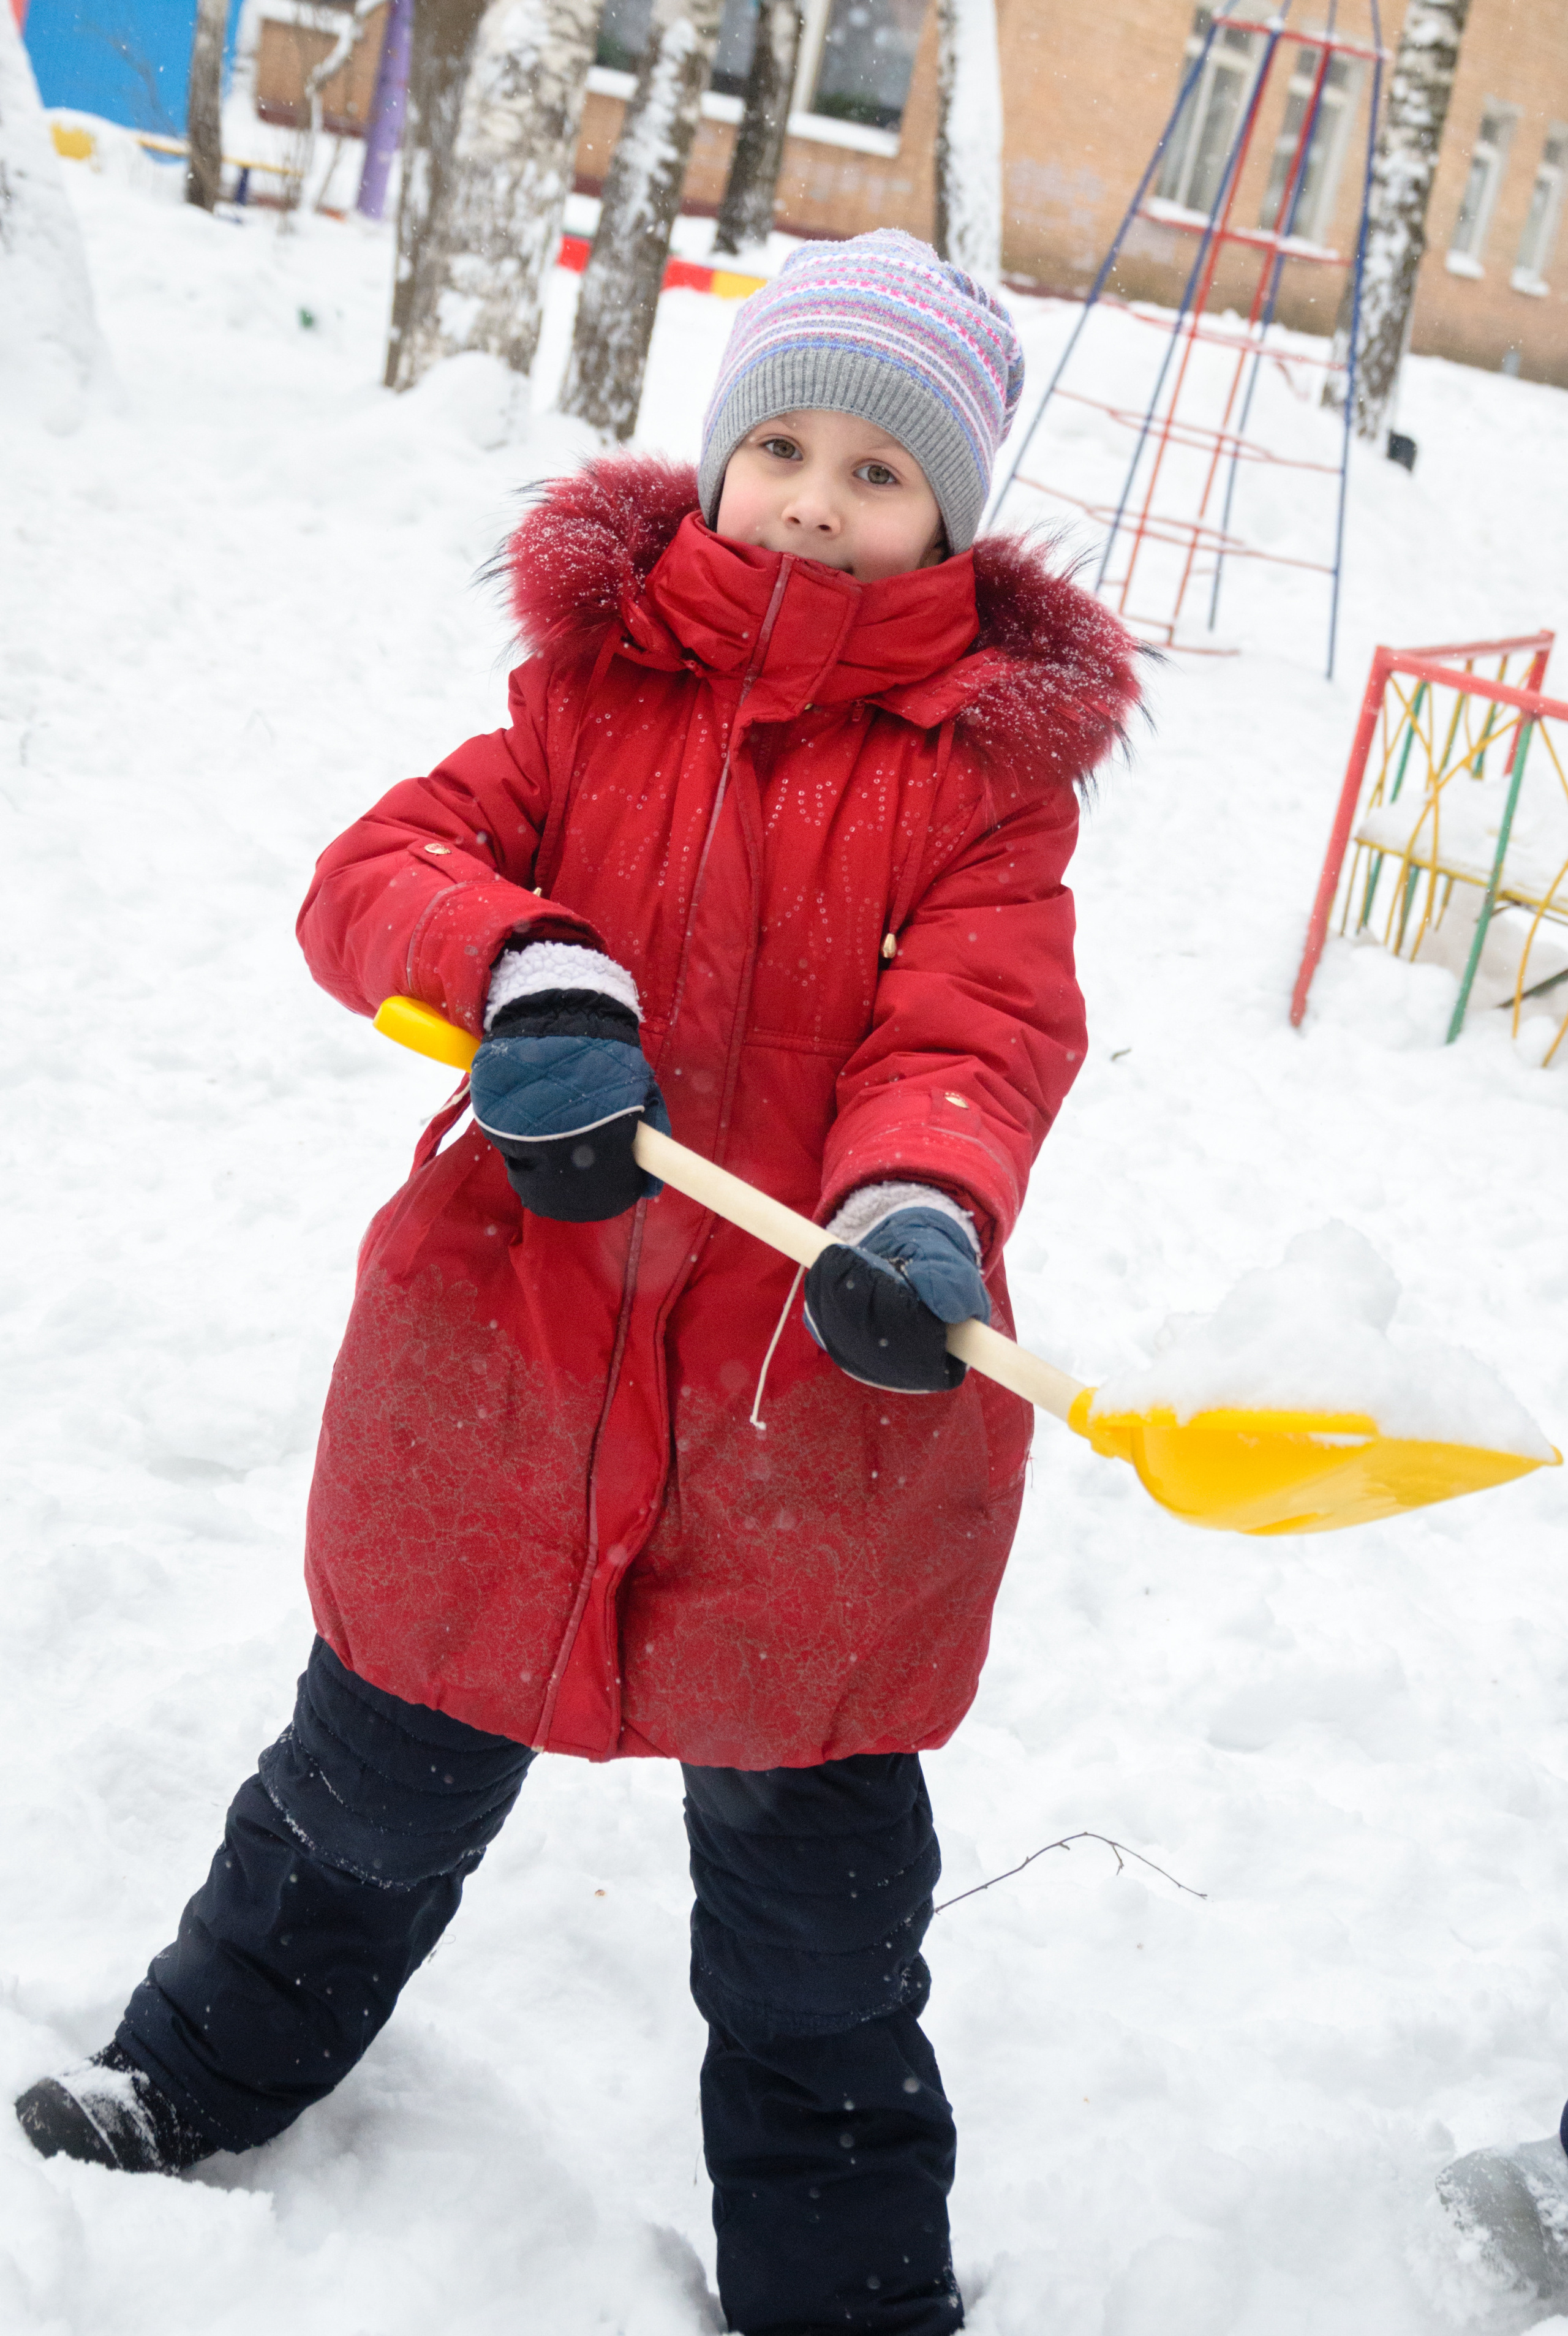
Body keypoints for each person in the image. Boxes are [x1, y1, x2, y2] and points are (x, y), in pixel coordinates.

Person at [16, 229, 1139, 2335]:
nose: (814, 494)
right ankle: (194, 2070)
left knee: (820, 1925)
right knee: (360, 1795)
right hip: (506, 1381)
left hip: (814, 1420)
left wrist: (918, 1212)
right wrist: (518, 969)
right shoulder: (583, 698)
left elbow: (976, 1036)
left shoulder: (986, 791)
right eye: (780, 441)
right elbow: (384, 873)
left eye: (877, 472)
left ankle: (846, 2287)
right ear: (715, 459)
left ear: (954, 524)